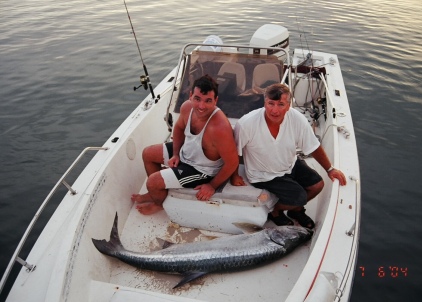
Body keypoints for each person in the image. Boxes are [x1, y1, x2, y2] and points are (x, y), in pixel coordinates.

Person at [231, 83, 346, 227]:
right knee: (299, 196)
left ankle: (295, 211)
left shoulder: (297, 119)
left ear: (289, 104)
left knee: (318, 185)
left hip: (290, 164)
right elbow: (234, 151)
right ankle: (276, 212)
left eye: (281, 104)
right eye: (270, 103)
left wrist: (330, 169)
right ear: (264, 102)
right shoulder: (247, 123)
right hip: (263, 174)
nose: (275, 110)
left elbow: (313, 147)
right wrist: (234, 176)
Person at [132, 75, 239, 215]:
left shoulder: (219, 127)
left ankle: (159, 203)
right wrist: (176, 154)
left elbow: (232, 162)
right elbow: (178, 129)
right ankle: (157, 193)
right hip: (186, 153)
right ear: (190, 96)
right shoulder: (187, 108)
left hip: (201, 170)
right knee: (148, 153)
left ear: (216, 101)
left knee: (152, 182)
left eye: (208, 101)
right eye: (197, 99)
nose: (201, 106)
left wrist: (212, 186)